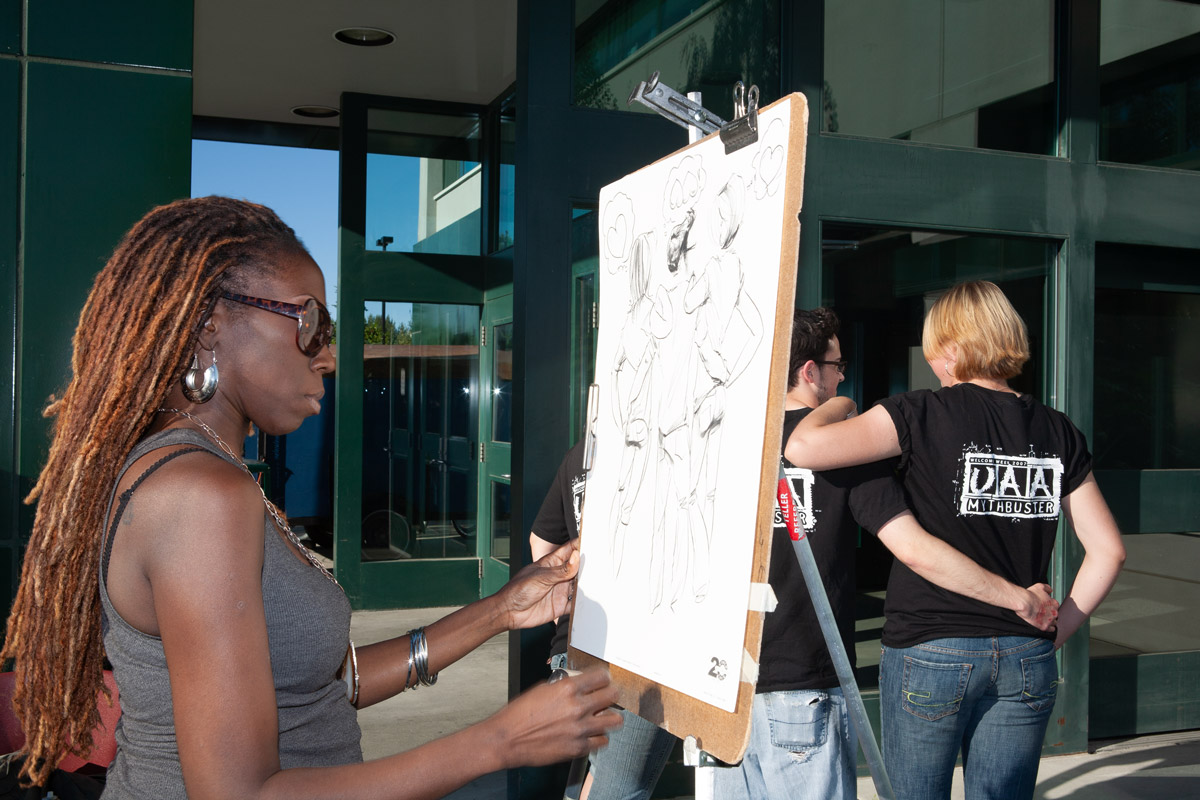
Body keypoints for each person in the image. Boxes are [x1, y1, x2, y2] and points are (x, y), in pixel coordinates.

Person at [1, 196, 621, 799]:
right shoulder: (199, 494)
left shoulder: (207, 476)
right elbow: (240, 792)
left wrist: (500, 611)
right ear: (211, 323)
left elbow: (327, 683)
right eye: (311, 324)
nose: (328, 356)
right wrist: (498, 742)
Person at [786, 281, 1125, 800]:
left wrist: (846, 399)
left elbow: (803, 447)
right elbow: (1108, 551)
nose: (935, 365)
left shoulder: (919, 413)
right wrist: (1055, 630)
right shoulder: (1059, 431)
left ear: (955, 348)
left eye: (936, 351)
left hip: (931, 647)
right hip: (1025, 652)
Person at [712, 308, 1059, 800]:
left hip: (721, 681)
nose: (843, 375)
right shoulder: (847, 455)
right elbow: (913, 548)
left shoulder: (718, 442)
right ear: (810, 372)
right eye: (838, 366)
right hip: (804, 679)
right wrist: (1019, 601)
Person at [530, 442, 676, 800]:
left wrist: (566, 613)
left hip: (577, 645)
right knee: (618, 789)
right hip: (636, 654)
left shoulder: (581, 454)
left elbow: (541, 540)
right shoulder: (668, 445)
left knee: (596, 778)